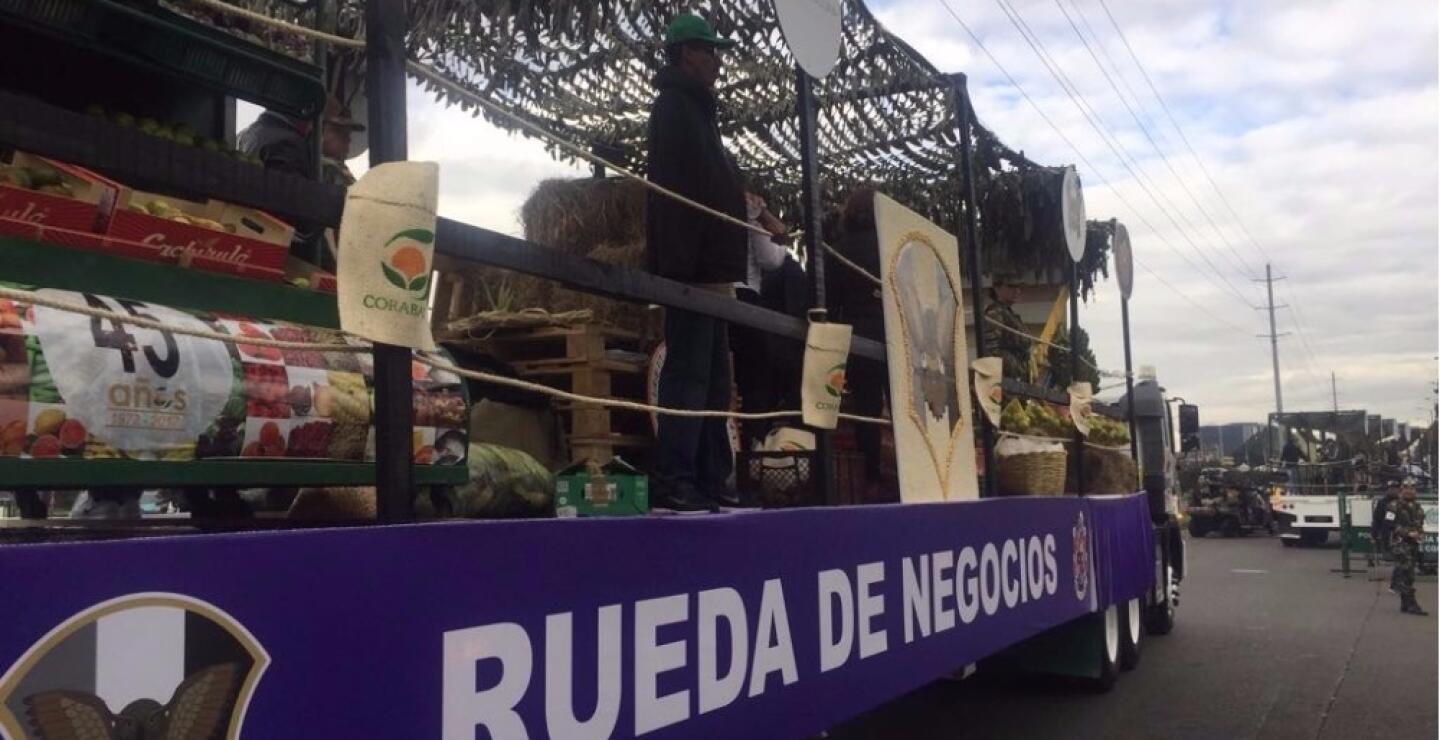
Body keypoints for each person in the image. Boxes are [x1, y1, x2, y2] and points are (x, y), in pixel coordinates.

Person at [645, 14, 745, 512]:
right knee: (688, 376)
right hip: (694, 271)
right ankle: (675, 478)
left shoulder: (699, 110)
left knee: (714, 381)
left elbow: (711, 180)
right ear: (688, 52)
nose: (718, 62)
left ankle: (710, 478)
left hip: (713, 271)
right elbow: (680, 191)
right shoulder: (674, 107)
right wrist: (680, 269)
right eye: (711, 51)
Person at [825, 188, 891, 498]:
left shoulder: (838, 248)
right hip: (892, 332)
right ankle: (908, 475)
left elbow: (830, 297)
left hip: (857, 333)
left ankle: (871, 477)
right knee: (903, 407)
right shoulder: (892, 245)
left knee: (866, 407)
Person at [731, 190, 789, 450]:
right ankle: (754, 439)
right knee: (756, 372)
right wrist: (778, 235)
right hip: (745, 295)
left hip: (716, 292)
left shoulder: (719, 210)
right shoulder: (751, 219)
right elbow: (771, 260)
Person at [1386, 478, 1429, 615]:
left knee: (1409, 574)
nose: (1409, 491)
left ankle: (1405, 603)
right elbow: (1389, 525)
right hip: (1400, 544)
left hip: (1413, 544)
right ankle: (1412, 604)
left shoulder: (1417, 506)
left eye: (1412, 488)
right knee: (1406, 573)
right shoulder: (1394, 505)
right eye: (1406, 488)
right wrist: (1407, 533)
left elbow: (1419, 524)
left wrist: (1420, 534)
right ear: (1402, 489)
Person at [981, 271, 1031, 382]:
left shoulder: (1008, 313)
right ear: (997, 288)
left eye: (1019, 287)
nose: (1017, 291)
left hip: (1016, 379)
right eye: (1011, 286)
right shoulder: (994, 313)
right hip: (1004, 381)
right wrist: (1015, 368)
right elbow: (991, 351)